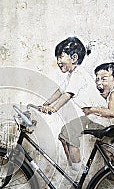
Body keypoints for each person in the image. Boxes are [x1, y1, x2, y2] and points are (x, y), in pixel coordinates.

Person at [41, 37, 107, 167]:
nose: (58, 61)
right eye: (57, 58)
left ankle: (76, 170)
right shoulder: (72, 75)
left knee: (68, 134)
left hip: (98, 117)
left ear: (74, 57)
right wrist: (46, 104)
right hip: (91, 116)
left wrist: (54, 109)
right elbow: (59, 91)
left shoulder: (79, 74)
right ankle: (73, 167)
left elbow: (67, 95)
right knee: (63, 136)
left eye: (61, 57)